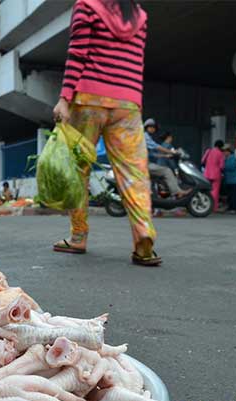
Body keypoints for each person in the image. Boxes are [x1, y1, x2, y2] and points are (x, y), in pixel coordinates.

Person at [51, 0, 161, 265]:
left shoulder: (87, 5)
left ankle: (78, 237)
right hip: (127, 103)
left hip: (89, 99)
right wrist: (134, 102)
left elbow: (77, 54)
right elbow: (136, 62)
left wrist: (65, 98)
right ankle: (143, 236)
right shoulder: (139, 15)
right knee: (134, 173)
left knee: (79, 170)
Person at [144, 119, 191, 199]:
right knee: (167, 171)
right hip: (144, 165)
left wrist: (165, 156)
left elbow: (152, 154)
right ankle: (177, 192)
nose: (154, 130)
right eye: (153, 127)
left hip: (146, 164)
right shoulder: (145, 136)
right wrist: (172, 152)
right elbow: (156, 147)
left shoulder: (147, 137)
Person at [202, 140, 226, 211]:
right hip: (216, 174)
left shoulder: (208, 151)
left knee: (206, 190)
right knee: (215, 191)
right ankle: (213, 207)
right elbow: (222, 166)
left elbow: (202, 161)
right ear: (221, 146)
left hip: (206, 173)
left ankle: (205, 205)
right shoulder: (220, 153)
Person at [223, 145, 236, 213]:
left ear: (228, 151)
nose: (224, 153)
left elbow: (231, 167)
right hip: (229, 180)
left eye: (225, 151)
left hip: (235, 180)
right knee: (230, 195)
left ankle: (235, 209)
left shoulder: (233, 157)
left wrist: (223, 165)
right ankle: (231, 208)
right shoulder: (227, 158)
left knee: (235, 195)